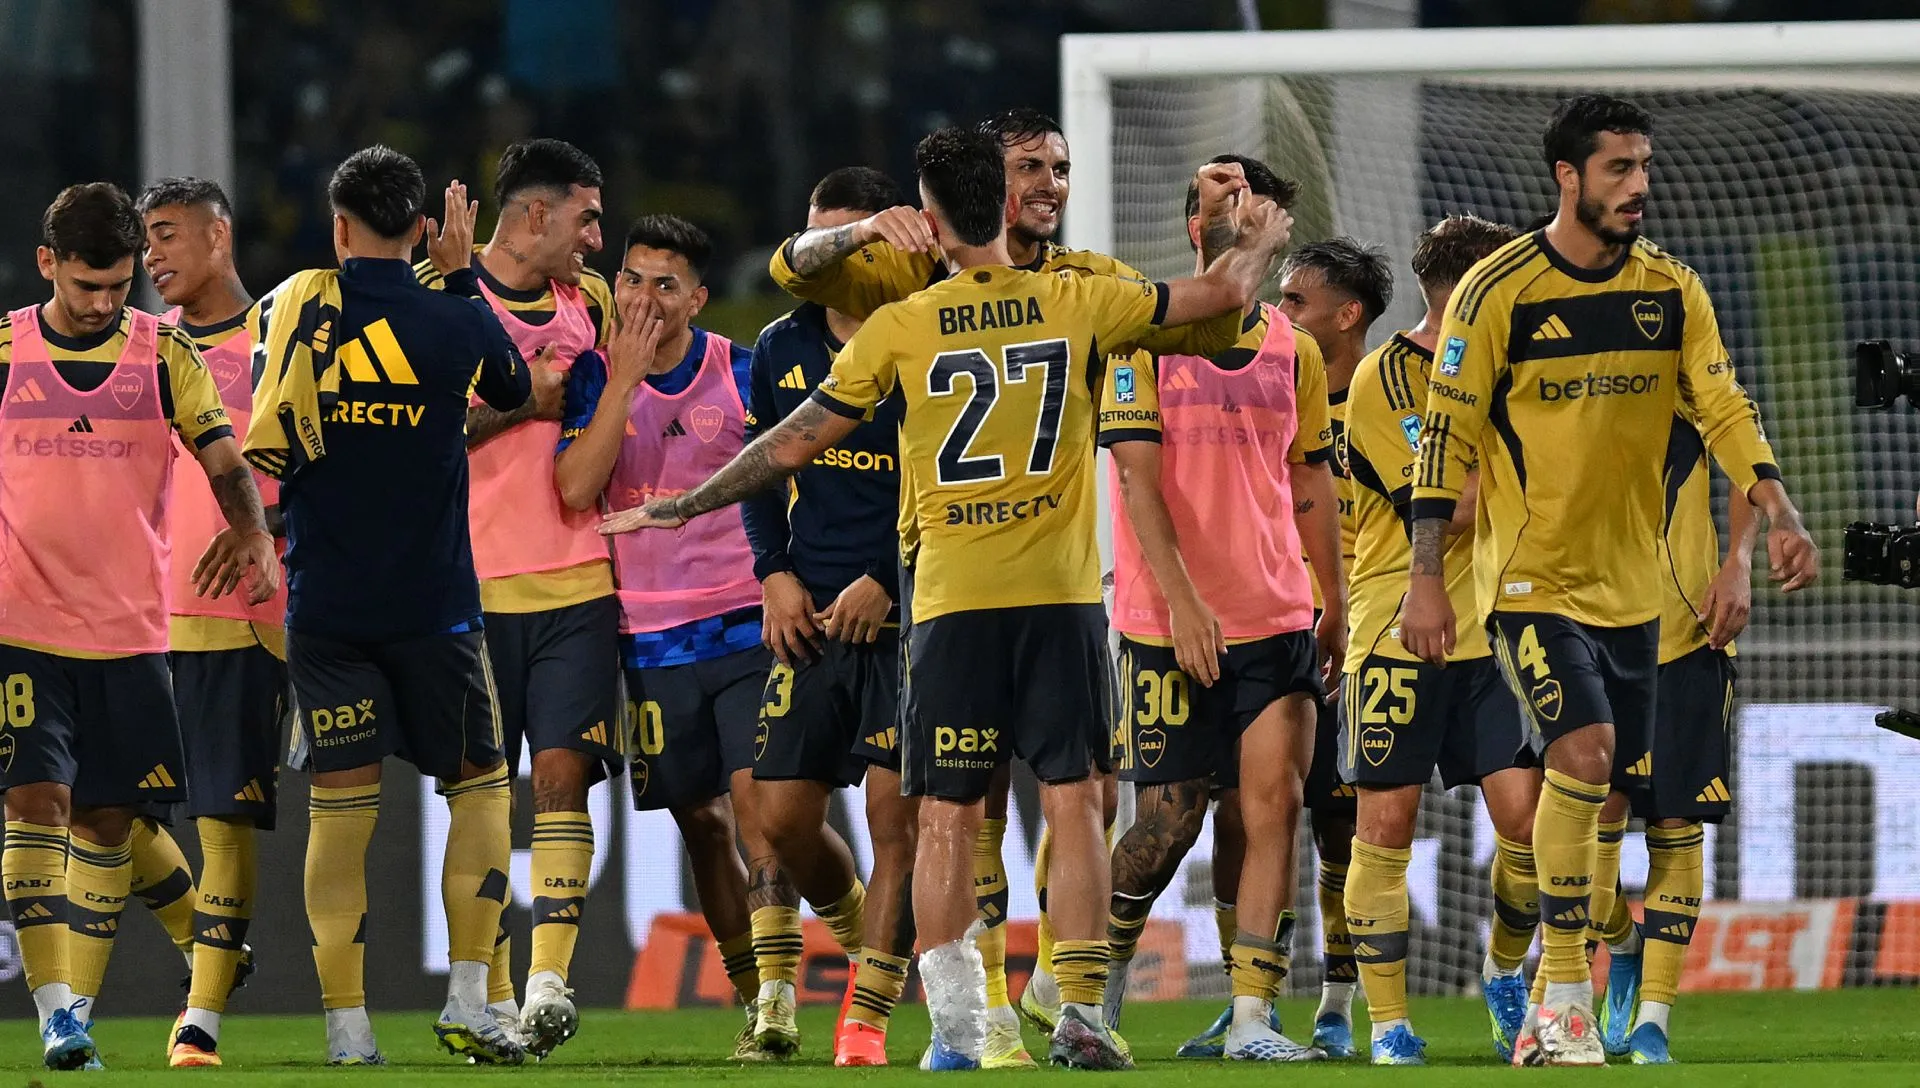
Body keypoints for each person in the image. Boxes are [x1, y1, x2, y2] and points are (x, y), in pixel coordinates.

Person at [605, 125, 1291, 1072]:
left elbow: (791, 442)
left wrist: (686, 503)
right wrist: (1258, 228)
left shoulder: (906, 319)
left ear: (929, 219)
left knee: (945, 816)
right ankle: (1084, 1010)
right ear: (1003, 200)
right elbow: (1222, 297)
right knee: (1076, 802)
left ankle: (959, 1026)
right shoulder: (1083, 295)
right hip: (1057, 599)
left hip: (950, 601)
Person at [768, 110, 1245, 1058]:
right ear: (990, 182)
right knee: (962, 804)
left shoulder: (1089, 282)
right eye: (1030, 167)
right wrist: (869, 227)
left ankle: (1048, 1005)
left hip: (1039, 578)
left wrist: (1222, 245)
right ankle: (974, 1015)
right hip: (935, 578)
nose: (1052, 185)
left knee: (1064, 796)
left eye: (1061, 168)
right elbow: (793, 268)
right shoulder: (909, 270)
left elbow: (1213, 320)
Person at [1401, 94, 1819, 1066]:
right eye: (1619, 168)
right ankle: (1560, 997)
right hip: (1529, 582)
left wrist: (1777, 509)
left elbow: (1723, 405)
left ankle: (1587, 981)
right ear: (1567, 176)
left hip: (1641, 595)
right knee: (1583, 755)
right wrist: (1428, 578)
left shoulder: (1672, 289)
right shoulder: (1497, 290)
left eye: (1644, 166)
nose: (1639, 185)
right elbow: (1447, 441)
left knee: (1617, 798)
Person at [242, 144, 531, 1066]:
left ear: (336, 227)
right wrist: (458, 278)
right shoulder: (449, 320)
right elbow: (517, 390)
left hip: (327, 607)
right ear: (419, 229)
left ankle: (348, 1030)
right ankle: (469, 1000)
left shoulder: (293, 316)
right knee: (480, 787)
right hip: (437, 606)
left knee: (341, 813)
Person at [0, 182, 275, 1071]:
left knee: (113, 820)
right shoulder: (5, 351)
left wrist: (253, 537)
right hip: (22, 625)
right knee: (37, 805)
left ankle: (205, 941)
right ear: (47, 265)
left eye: (120, 285)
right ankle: (58, 1015)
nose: (107, 302)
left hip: (131, 632)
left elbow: (226, 460)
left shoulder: (163, 356)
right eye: (88, 286)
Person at [1100, 154, 1342, 1063]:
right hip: (1167, 623)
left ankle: (1251, 1021)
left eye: (1256, 205)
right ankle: (1091, 987)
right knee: (1166, 825)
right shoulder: (1137, 337)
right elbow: (1138, 483)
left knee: (1272, 804)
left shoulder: (1296, 349)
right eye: (1223, 201)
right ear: (1196, 228)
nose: (1240, 215)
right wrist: (1185, 603)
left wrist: (1336, 596)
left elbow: (1308, 476)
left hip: (1275, 612)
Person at [553, 214, 803, 1062]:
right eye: (632, 278)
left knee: (759, 813)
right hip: (648, 637)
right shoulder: (591, 378)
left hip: (743, 625)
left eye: (667, 284)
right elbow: (576, 488)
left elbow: (791, 481)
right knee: (700, 822)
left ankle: (777, 999)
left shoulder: (741, 371)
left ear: (698, 296)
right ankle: (751, 998)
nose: (646, 298)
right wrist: (620, 382)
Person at [414, 137, 620, 1059]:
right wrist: (524, 405)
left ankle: (545, 986)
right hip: (468, 588)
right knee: (482, 798)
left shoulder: (597, 303)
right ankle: (489, 997)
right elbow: (411, 436)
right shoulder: (434, 296)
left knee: (563, 775)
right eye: (586, 217)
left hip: (578, 578)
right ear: (535, 215)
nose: (598, 237)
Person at [1337, 214, 1544, 1066]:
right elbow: (1448, 504)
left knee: (1532, 829)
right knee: (1386, 827)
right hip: (1399, 627)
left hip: (1493, 635)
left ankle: (1502, 975)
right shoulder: (1386, 379)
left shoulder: (1512, 373)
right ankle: (1388, 1024)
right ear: (1466, 292)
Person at [741, 167, 907, 1066]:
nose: (824, 259)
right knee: (781, 820)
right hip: (809, 613)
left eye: (845, 240)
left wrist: (887, 576)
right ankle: (859, 935)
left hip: (906, 613)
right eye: (815, 242)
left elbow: (947, 479)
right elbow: (762, 468)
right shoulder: (780, 345)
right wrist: (774, 574)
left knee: (897, 821)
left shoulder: (923, 334)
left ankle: (863, 1022)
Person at [138, 177, 284, 1066]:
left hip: (240, 618)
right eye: (146, 241)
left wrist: (269, 534)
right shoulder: (141, 350)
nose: (152, 256)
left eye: (165, 236)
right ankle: (209, 945)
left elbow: (320, 456)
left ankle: (200, 1020)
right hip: (137, 621)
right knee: (97, 808)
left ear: (218, 236)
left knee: (222, 820)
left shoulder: (277, 341)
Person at [1265, 236, 1397, 1059]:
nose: (1281, 316)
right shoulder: (1276, 399)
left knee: (1344, 832)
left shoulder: (1392, 402)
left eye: (1296, 303)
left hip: (1359, 637)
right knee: (1258, 817)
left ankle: (1339, 1004)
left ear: (1347, 317)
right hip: (1277, 630)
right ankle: (1256, 1003)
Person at [1598, 417, 1758, 1065]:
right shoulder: (1574, 372)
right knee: (1582, 832)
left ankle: (1654, 1020)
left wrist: (1738, 561)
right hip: (1593, 641)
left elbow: (1749, 465)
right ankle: (1621, 943)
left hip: (1691, 638)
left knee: (1676, 822)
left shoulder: (1699, 382)